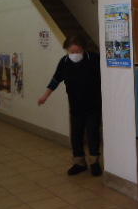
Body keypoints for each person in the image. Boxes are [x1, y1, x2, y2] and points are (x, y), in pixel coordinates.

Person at [38, 34, 102, 176]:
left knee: (93, 134)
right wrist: (45, 96)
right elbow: (55, 80)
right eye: (71, 51)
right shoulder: (64, 62)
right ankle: (79, 163)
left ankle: (94, 162)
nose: (74, 54)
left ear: (83, 49)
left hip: (93, 105)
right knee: (76, 135)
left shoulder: (94, 59)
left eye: (77, 51)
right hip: (75, 106)